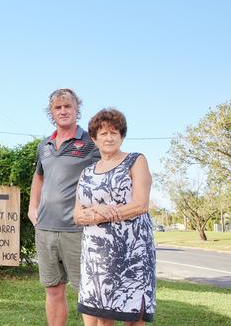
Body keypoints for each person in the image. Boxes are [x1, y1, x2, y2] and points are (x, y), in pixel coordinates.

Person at [73, 108, 155, 325]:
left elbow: (140, 204)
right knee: (101, 312)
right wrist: (96, 213)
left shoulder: (136, 161)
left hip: (131, 251)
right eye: (103, 134)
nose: (109, 138)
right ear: (94, 138)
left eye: (114, 133)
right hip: (96, 254)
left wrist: (99, 214)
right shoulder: (87, 172)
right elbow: (77, 215)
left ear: (121, 136)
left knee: (133, 313)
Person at [27, 88, 100, 326]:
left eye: (67, 106)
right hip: (46, 229)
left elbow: (106, 173)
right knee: (53, 290)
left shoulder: (91, 142)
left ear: (77, 110)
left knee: (88, 294)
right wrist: (32, 208)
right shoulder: (44, 145)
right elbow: (39, 177)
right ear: (51, 113)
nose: (63, 111)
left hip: (77, 230)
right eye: (57, 108)